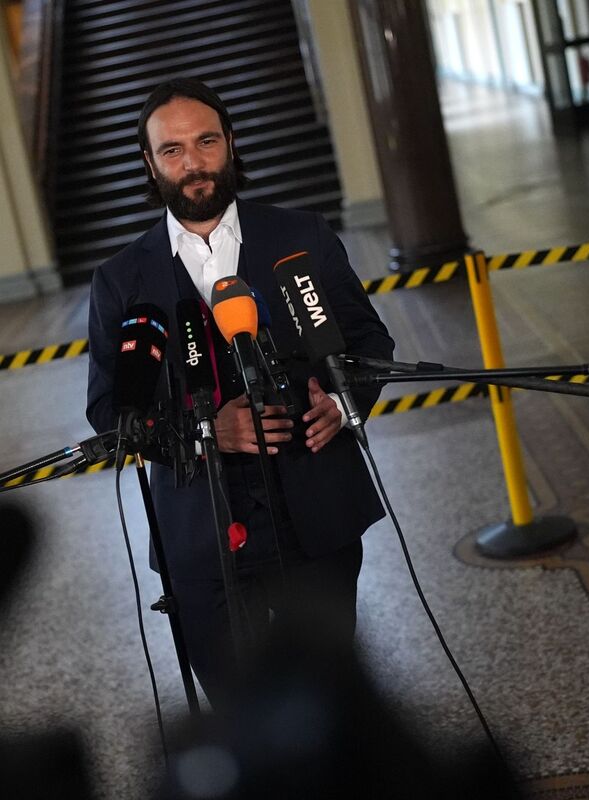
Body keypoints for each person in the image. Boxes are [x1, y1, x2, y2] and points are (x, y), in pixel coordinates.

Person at [86, 77, 394, 705]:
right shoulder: (120, 280)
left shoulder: (300, 236)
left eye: (206, 142)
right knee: (237, 717)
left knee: (333, 704)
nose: (193, 163)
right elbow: (111, 412)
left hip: (317, 515)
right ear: (150, 163)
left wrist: (340, 404)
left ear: (230, 142)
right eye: (172, 151)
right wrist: (207, 433)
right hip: (201, 531)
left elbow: (368, 344)